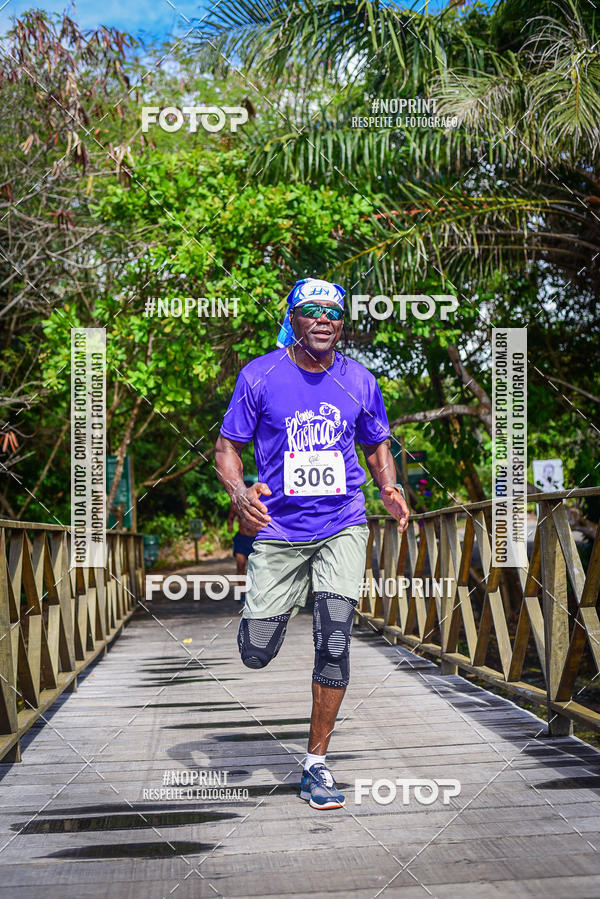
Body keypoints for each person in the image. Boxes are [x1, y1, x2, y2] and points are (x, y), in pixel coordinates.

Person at [214, 277, 409, 810]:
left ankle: (316, 766)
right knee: (256, 652)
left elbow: (377, 446)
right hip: (278, 530)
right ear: (293, 318)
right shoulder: (260, 375)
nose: (323, 319)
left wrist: (389, 486)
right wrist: (238, 491)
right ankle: (286, 600)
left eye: (333, 312)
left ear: (342, 322)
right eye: (310, 310)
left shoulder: (360, 381)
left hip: (343, 522)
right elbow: (227, 448)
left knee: (335, 640)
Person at [227, 477, 257, 581]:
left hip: (256, 539)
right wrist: (230, 526)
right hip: (241, 538)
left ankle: (254, 592)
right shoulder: (236, 506)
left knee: (257, 569)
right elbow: (230, 518)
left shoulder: (259, 505)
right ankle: (242, 594)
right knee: (240, 565)